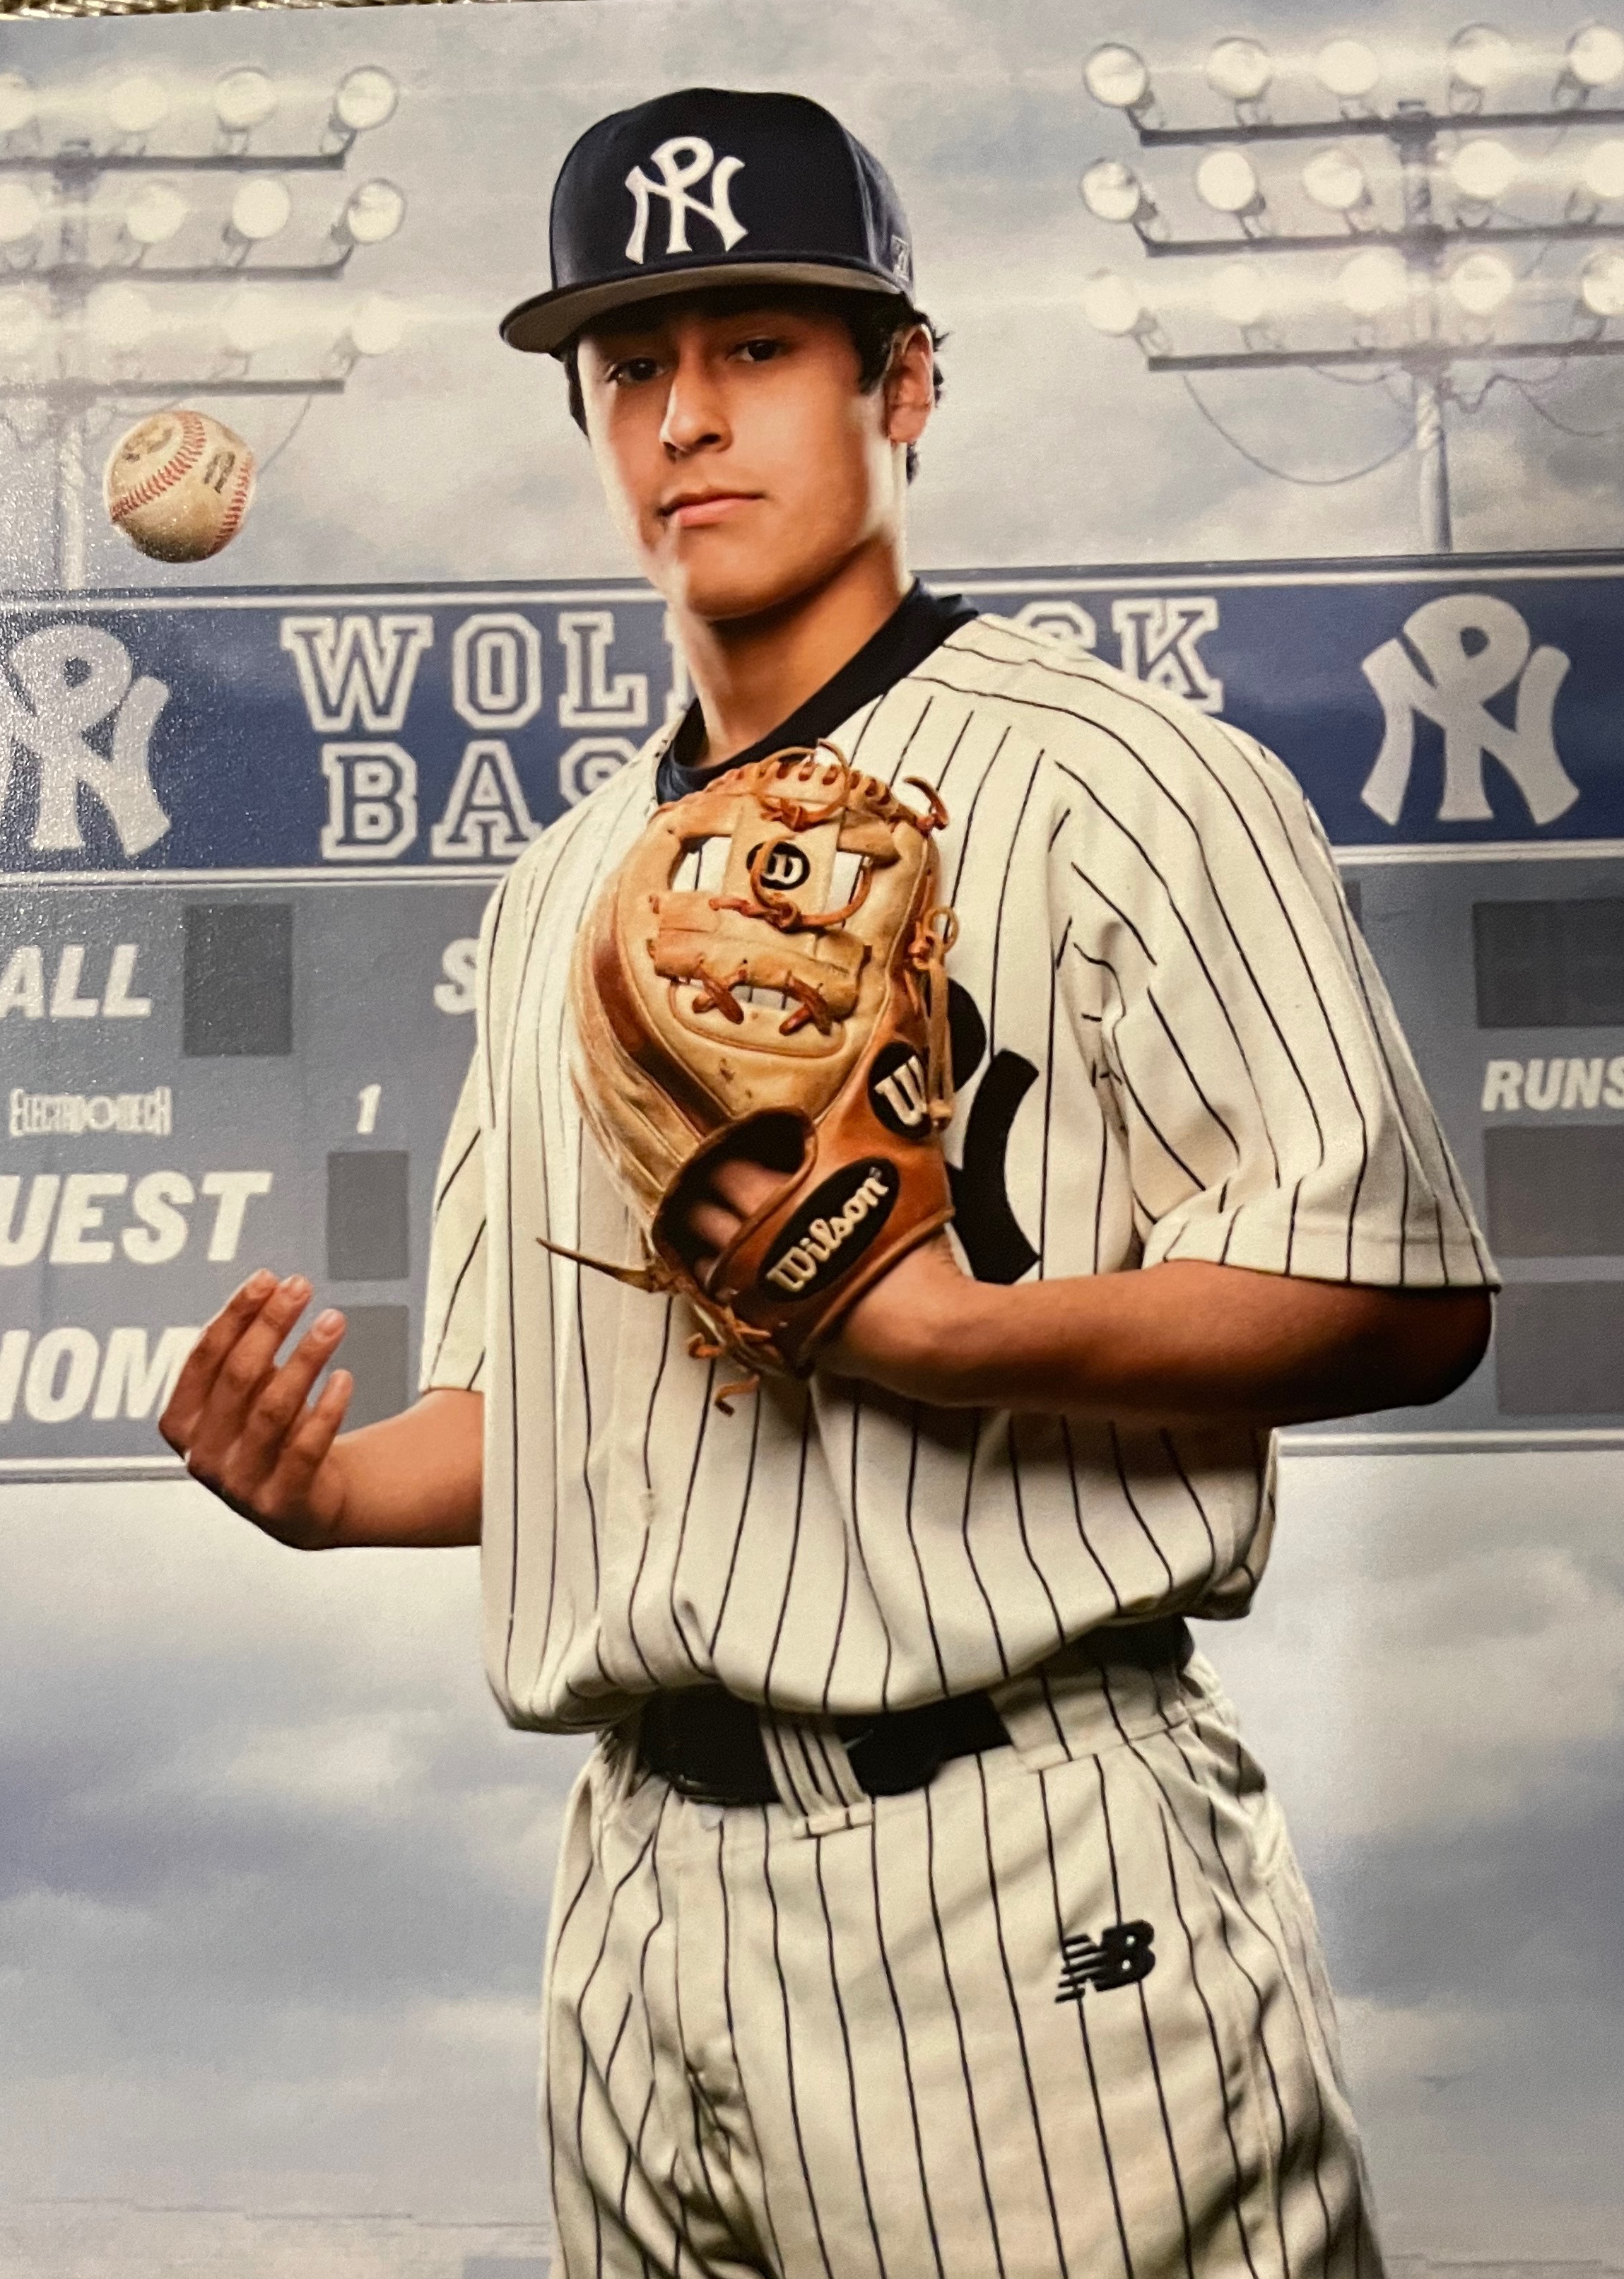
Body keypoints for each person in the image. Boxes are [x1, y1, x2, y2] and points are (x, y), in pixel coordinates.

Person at [161, 86, 1496, 2279]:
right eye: (631, 365)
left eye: (756, 347)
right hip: (637, 1892)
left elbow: (1401, 1296)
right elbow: (541, 1412)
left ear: (903, 386)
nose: (684, 414)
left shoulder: (1129, 782)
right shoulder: (558, 889)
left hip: (1018, 1864)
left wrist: (945, 1333)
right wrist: (328, 1491)